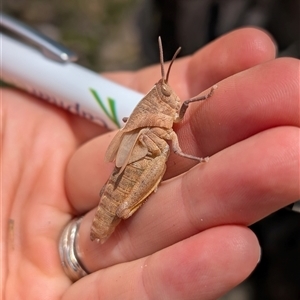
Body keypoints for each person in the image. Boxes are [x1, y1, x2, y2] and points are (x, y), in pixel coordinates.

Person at [2, 28, 299, 299]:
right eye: (166, 96)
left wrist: (203, 99)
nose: (173, 99)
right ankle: (106, 225)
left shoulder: (155, 121)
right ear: (155, 104)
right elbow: (178, 151)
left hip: (138, 160)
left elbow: (178, 116)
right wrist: (198, 158)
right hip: (126, 185)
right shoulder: (149, 124)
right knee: (129, 197)